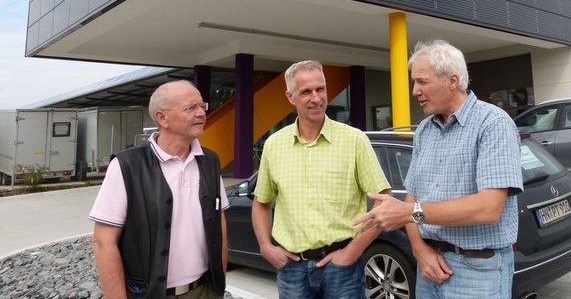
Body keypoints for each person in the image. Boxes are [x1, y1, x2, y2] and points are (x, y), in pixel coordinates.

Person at [353, 40, 523, 298]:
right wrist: (419, 249)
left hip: (477, 271)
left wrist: (409, 213)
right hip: (428, 265)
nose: (414, 91)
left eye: (422, 82)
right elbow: (412, 195)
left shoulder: (493, 123)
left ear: (452, 80)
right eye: (414, 82)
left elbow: (489, 208)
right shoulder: (424, 130)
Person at [252, 60, 391, 299]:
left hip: (342, 269)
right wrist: (266, 247)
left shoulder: (354, 140)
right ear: (290, 97)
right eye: (306, 92)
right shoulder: (274, 145)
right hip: (291, 269)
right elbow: (261, 203)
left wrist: (352, 252)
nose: (316, 98)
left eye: (321, 89)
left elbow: (384, 201)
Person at [89, 80, 229, 298]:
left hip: (205, 290)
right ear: (162, 118)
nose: (201, 113)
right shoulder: (128, 166)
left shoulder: (210, 161)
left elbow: (218, 222)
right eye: (191, 107)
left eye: (203, 106)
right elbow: (103, 242)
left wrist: (218, 287)